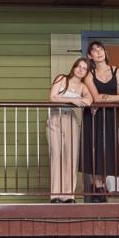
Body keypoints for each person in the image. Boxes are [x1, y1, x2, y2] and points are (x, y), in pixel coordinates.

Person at [80, 41, 119, 202]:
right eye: (94, 50)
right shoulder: (89, 74)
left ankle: (100, 186)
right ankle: (97, 187)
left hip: (110, 116)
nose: (98, 52)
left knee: (107, 150)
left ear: (105, 51)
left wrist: (116, 99)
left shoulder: (118, 71)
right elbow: (96, 98)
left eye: (100, 49)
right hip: (92, 117)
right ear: (90, 56)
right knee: (94, 149)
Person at [47, 57, 91, 203]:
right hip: (55, 117)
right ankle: (55, 195)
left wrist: (77, 100)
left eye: (84, 68)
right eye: (79, 66)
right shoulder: (62, 78)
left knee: (70, 157)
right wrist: (72, 100)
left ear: (86, 72)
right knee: (56, 155)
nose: (81, 70)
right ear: (74, 67)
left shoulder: (83, 87)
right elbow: (52, 97)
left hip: (71, 119)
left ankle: (68, 195)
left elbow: (89, 101)